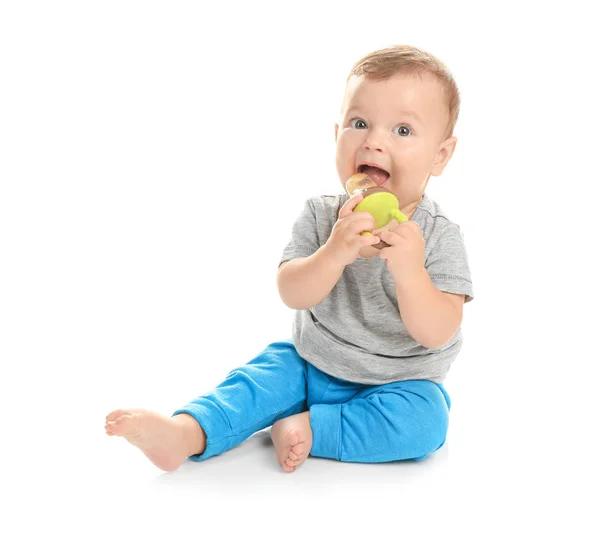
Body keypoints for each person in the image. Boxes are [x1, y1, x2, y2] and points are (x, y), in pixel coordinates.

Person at [105, 44, 475, 473]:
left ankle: (311, 428)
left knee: (426, 424)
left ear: (440, 155)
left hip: (398, 386)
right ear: (337, 135)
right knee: (257, 381)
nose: (373, 141)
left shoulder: (438, 235)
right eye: (359, 123)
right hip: (310, 362)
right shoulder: (321, 215)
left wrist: (411, 272)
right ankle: (185, 433)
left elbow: (438, 330)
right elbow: (292, 291)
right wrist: (334, 253)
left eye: (403, 131)